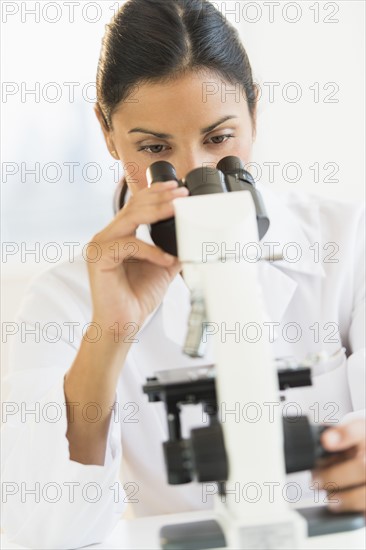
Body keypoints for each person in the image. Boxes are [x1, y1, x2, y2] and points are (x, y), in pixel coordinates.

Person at [2, 0, 365, 548]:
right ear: (106, 133)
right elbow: (45, 530)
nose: (196, 175)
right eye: (153, 150)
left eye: (219, 140)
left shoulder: (348, 243)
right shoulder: (66, 296)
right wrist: (111, 334)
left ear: (254, 113)